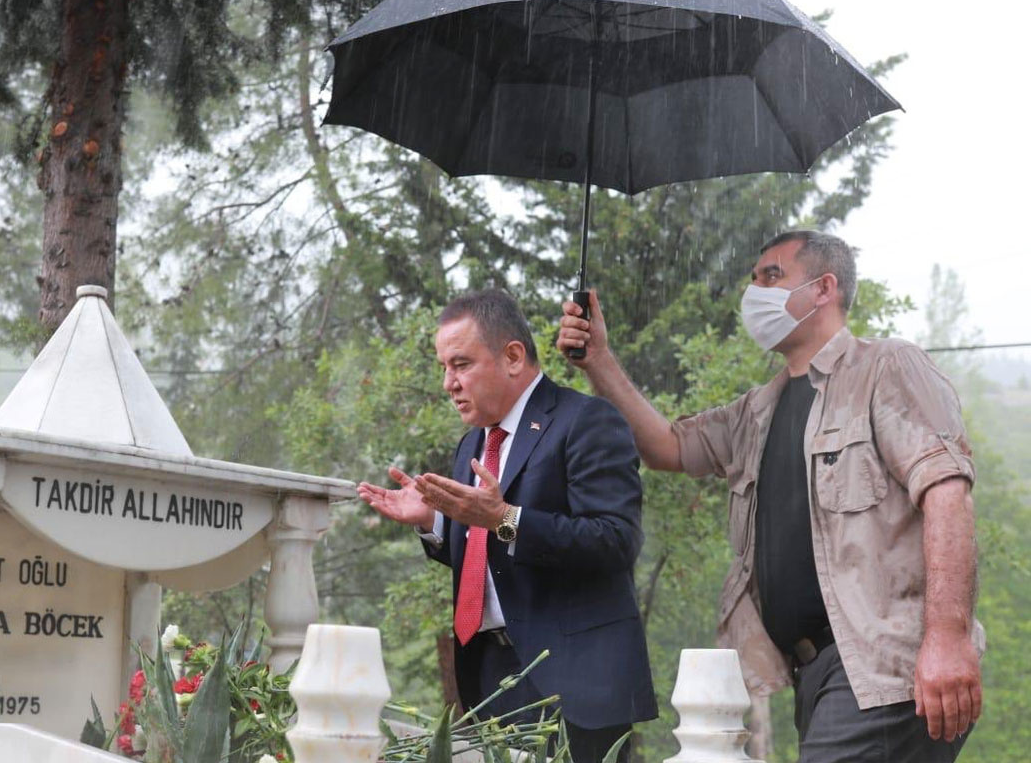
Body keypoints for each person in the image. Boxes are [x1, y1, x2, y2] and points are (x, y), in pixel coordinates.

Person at [556, 230, 984, 762]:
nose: (753, 291)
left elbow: (947, 493)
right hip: (816, 675)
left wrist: (947, 639)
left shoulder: (887, 367)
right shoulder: (758, 409)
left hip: (883, 667)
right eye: (753, 278)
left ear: (824, 288)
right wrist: (598, 359)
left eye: (771, 276)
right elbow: (668, 446)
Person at [358, 289, 657, 763]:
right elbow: (484, 554)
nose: (447, 383)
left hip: (574, 686)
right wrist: (434, 523)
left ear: (513, 356)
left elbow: (615, 541)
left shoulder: (587, 421)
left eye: (460, 364)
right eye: (444, 368)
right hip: (489, 679)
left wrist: (505, 518)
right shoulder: (470, 445)